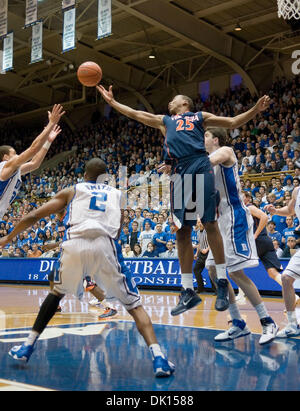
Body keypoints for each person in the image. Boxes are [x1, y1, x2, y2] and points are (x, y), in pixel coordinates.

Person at [97, 84, 270, 316]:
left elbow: (232, 122)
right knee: (181, 230)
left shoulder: (200, 117)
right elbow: (136, 114)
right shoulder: (165, 121)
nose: (170, 102)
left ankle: (221, 282)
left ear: (185, 104)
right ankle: (187, 290)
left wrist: (255, 110)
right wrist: (113, 103)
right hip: (179, 172)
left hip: (200, 165)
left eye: (174, 100)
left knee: (209, 223)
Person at [0, 158, 174, 377]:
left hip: (75, 244)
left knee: (56, 292)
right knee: (135, 306)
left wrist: (9, 237)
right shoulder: (117, 195)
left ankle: (27, 346)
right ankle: (158, 358)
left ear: (84, 175)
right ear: (105, 176)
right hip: (105, 244)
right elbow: (119, 229)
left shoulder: (72, 190)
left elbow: (34, 215)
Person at [204, 127, 278, 345]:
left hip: (234, 217)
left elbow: (205, 163)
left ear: (216, 139)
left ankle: (267, 321)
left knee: (235, 273)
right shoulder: (205, 161)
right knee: (213, 270)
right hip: (218, 222)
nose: (203, 139)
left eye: (206, 136)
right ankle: (238, 323)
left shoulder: (225, 151)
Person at [0, 105, 65, 219]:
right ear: (5, 157)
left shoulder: (13, 171)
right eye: (14, 153)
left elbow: (35, 164)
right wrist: (51, 124)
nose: (17, 156)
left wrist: (47, 141)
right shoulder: (5, 166)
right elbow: (33, 150)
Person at [265, 186, 300, 337]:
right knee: (286, 279)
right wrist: (276, 211)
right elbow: (291, 210)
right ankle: (292, 324)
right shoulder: (297, 191)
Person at [193, 219, 210, 294]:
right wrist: (196, 253)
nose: (200, 224)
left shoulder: (208, 231)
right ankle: (201, 288)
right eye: (199, 222)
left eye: (201, 222)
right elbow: (199, 244)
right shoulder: (197, 233)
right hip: (201, 254)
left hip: (208, 253)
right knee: (196, 270)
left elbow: (212, 241)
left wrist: (207, 249)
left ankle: (216, 289)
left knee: (211, 272)